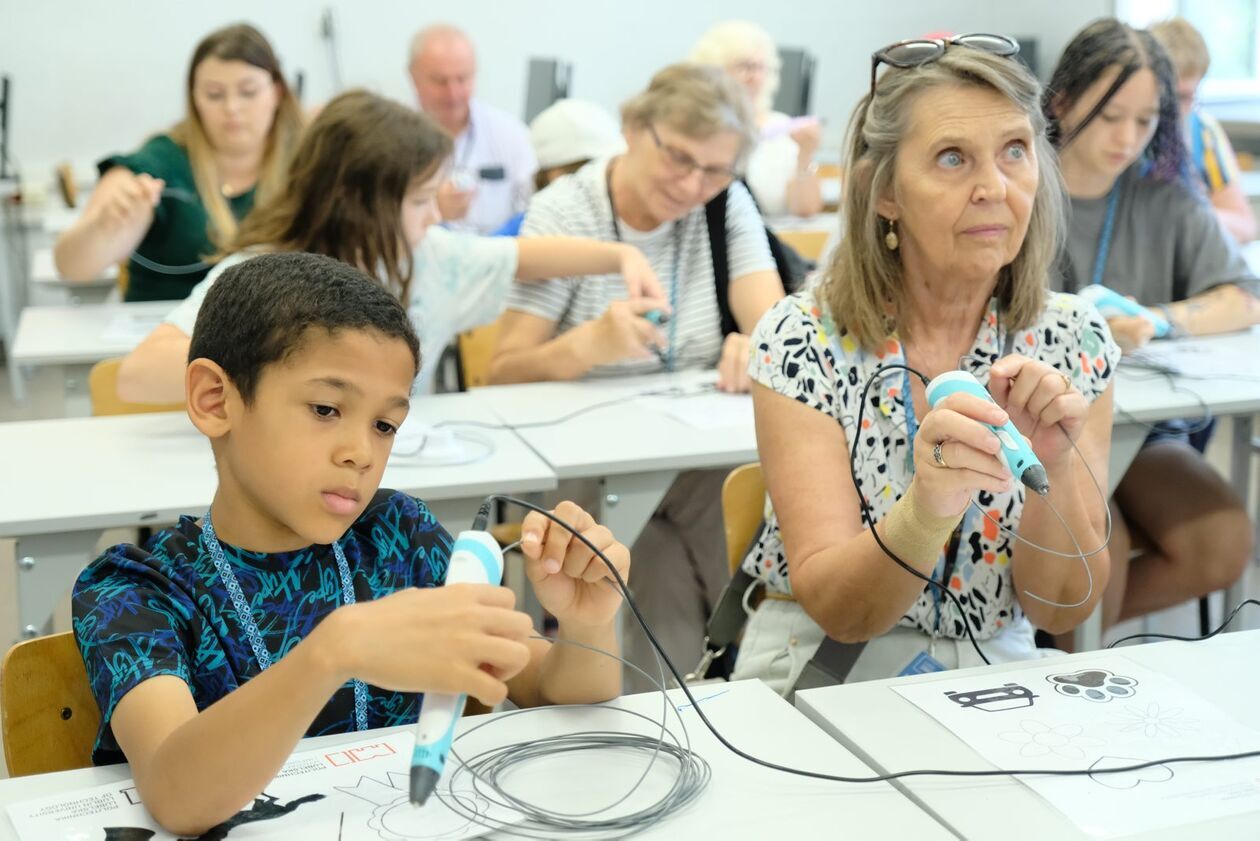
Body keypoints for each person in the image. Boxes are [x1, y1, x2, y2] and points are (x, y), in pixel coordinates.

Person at [73, 252, 631, 836]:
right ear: (216, 399)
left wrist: (584, 624)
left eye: (384, 425)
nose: (361, 452)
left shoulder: (399, 535)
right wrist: (331, 651)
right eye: (326, 409)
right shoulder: (138, 589)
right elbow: (178, 797)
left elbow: (555, 692)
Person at [731, 36, 1119, 693]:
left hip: (997, 667)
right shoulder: (803, 339)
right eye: (951, 158)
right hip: (820, 664)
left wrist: (1054, 464)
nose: (995, 187)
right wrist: (930, 503)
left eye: (1015, 152)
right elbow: (843, 611)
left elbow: (1061, 607)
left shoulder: (1071, 339)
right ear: (883, 193)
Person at [489, 63, 785, 690]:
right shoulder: (565, 210)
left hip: (697, 458)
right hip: (588, 464)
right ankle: (693, 702)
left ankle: (739, 688)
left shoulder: (725, 205)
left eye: (714, 170)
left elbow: (779, 332)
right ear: (631, 128)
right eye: (679, 158)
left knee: (753, 543)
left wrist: (750, 345)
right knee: (642, 564)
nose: (692, 184)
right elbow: (502, 374)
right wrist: (585, 346)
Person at [114, 90, 665, 403]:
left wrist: (620, 257)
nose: (436, 215)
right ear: (359, 202)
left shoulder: (428, 258)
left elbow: (525, 257)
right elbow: (137, 375)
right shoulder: (259, 275)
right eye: (421, 200)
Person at [1046, 18, 1258, 630]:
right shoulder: (1019, 186)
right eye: (1111, 116)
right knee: (1095, 548)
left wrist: (1160, 321)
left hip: (1134, 434)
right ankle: (1059, 640)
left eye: (1146, 121)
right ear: (1062, 100)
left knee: (1221, 538)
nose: (1128, 138)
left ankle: (1064, 635)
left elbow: (1245, 296)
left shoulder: (1165, 194)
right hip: (1035, 434)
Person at [54, 24, 303, 301]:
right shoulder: (162, 160)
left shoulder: (309, 158)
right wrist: (104, 223)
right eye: (214, 95)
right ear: (194, 98)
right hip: (167, 332)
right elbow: (72, 267)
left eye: (248, 92)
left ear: (277, 92)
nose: (232, 107)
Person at [408, 24, 535, 234]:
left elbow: (534, 207)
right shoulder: (389, 138)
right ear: (413, 76)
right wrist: (429, 208)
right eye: (440, 81)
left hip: (495, 258)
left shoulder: (509, 133)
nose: (453, 92)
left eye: (462, 78)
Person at [691, 20, 824, 217]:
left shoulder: (782, 128)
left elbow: (805, 210)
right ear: (714, 71)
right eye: (745, 67)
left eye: (761, 67)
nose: (755, 76)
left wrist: (805, 154)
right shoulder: (694, 127)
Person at [1150, 17, 1256, 243]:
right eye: (1168, 96)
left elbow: (1245, 226)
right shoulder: (1128, 136)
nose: (1175, 110)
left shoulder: (1203, 132)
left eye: (1187, 97)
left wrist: (1190, 213)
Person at [495, 99, 626, 236]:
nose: (597, 180)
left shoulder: (626, 224)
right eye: (585, 169)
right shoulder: (517, 237)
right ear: (553, 176)